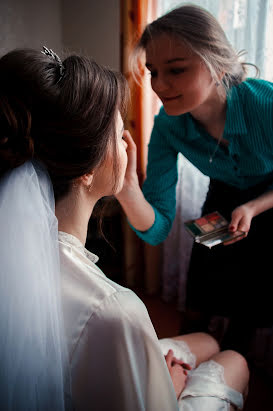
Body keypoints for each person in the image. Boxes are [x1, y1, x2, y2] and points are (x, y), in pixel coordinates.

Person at [0, 47, 249, 410]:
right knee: (235, 361)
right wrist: (171, 387)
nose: (128, 144)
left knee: (208, 343)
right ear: (86, 171)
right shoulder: (115, 308)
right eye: (119, 134)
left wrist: (129, 189)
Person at [116, 4, 273, 355]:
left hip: (269, 201)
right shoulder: (169, 126)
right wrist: (127, 191)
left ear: (218, 64)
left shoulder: (266, 104)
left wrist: (254, 206)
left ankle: (230, 382)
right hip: (221, 200)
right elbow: (156, 228)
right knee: (199, 296)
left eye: (175, 69)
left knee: (247, 316)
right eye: (153, 71)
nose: (159, 85)